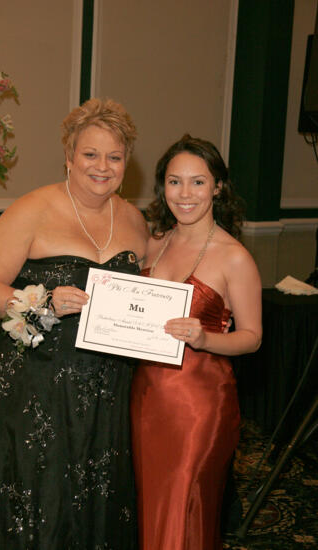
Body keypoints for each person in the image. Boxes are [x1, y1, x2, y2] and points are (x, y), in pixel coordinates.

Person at [0, 98, 148, 549]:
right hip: (32, 386)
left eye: (114, 157)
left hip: (104, 390)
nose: (102, 166)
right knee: (36, 500)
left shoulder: (135, 221)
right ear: (69, 156)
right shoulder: (33, 209)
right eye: (90, 154)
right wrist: (42, 304)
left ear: (126, 163)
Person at [130, 134, 262, 550]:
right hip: (146, 397)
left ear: (218, 187)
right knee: (149, 504)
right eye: (174, 182)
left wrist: (206, 337)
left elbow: (253, 338)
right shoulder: (154, 242)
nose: (185, 194)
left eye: (198, 182)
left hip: (199, 406)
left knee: (184, 507)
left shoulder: (233, 256)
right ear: (162, 186)